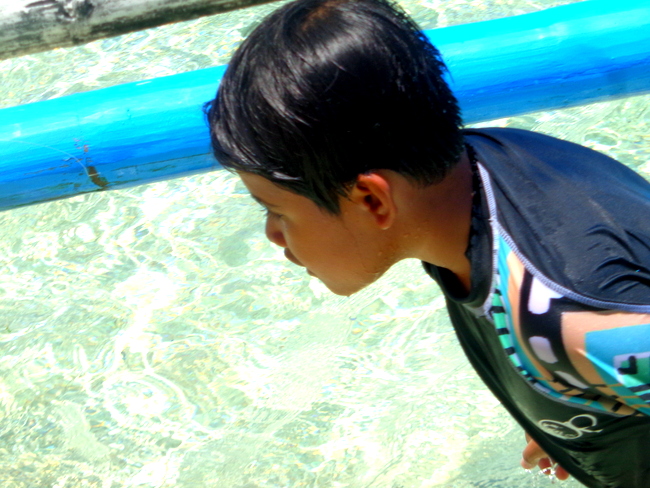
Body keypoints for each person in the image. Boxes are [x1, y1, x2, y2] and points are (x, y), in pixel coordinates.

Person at [204, 0, 650, 485]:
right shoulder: (478, 175)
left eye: (275, 211)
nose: (271, 235)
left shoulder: (569, 323)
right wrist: (571, 405)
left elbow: (598, 324)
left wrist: (580, 367)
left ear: (374, 202)